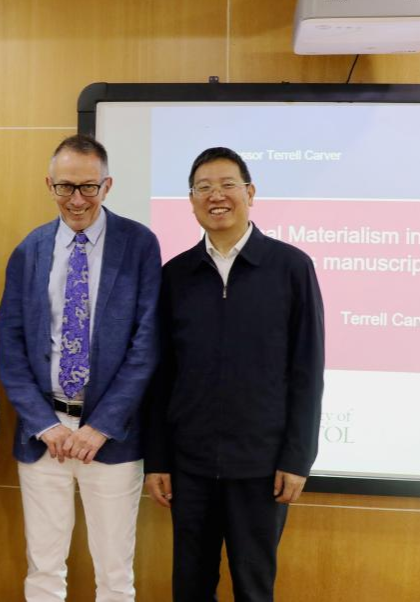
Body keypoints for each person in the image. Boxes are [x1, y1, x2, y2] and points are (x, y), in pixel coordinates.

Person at [144, 147, 325, 602]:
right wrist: (158, 459)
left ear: (250, 193)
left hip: (261, 468)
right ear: (191, 200)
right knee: (190, 587)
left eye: (227, 185)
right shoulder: (176, 275)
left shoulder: (290, 268)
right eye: (203, 187)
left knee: (254, 589)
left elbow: (307, 371)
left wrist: (298, 459)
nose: (216, 196)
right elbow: (161, 375)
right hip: (190, 466)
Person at [0, 134, 161, 602]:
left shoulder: (139, 245)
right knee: (43, 570)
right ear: (49, 185)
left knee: (115, 574)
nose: (77, 199)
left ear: (107, 185)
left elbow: (146, 344)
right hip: (44, 435)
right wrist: (43, 423)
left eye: (88, 187)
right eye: (65, 187)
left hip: (111, 438)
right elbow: (10, 344)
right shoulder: (30, 250)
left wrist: (100, 427)